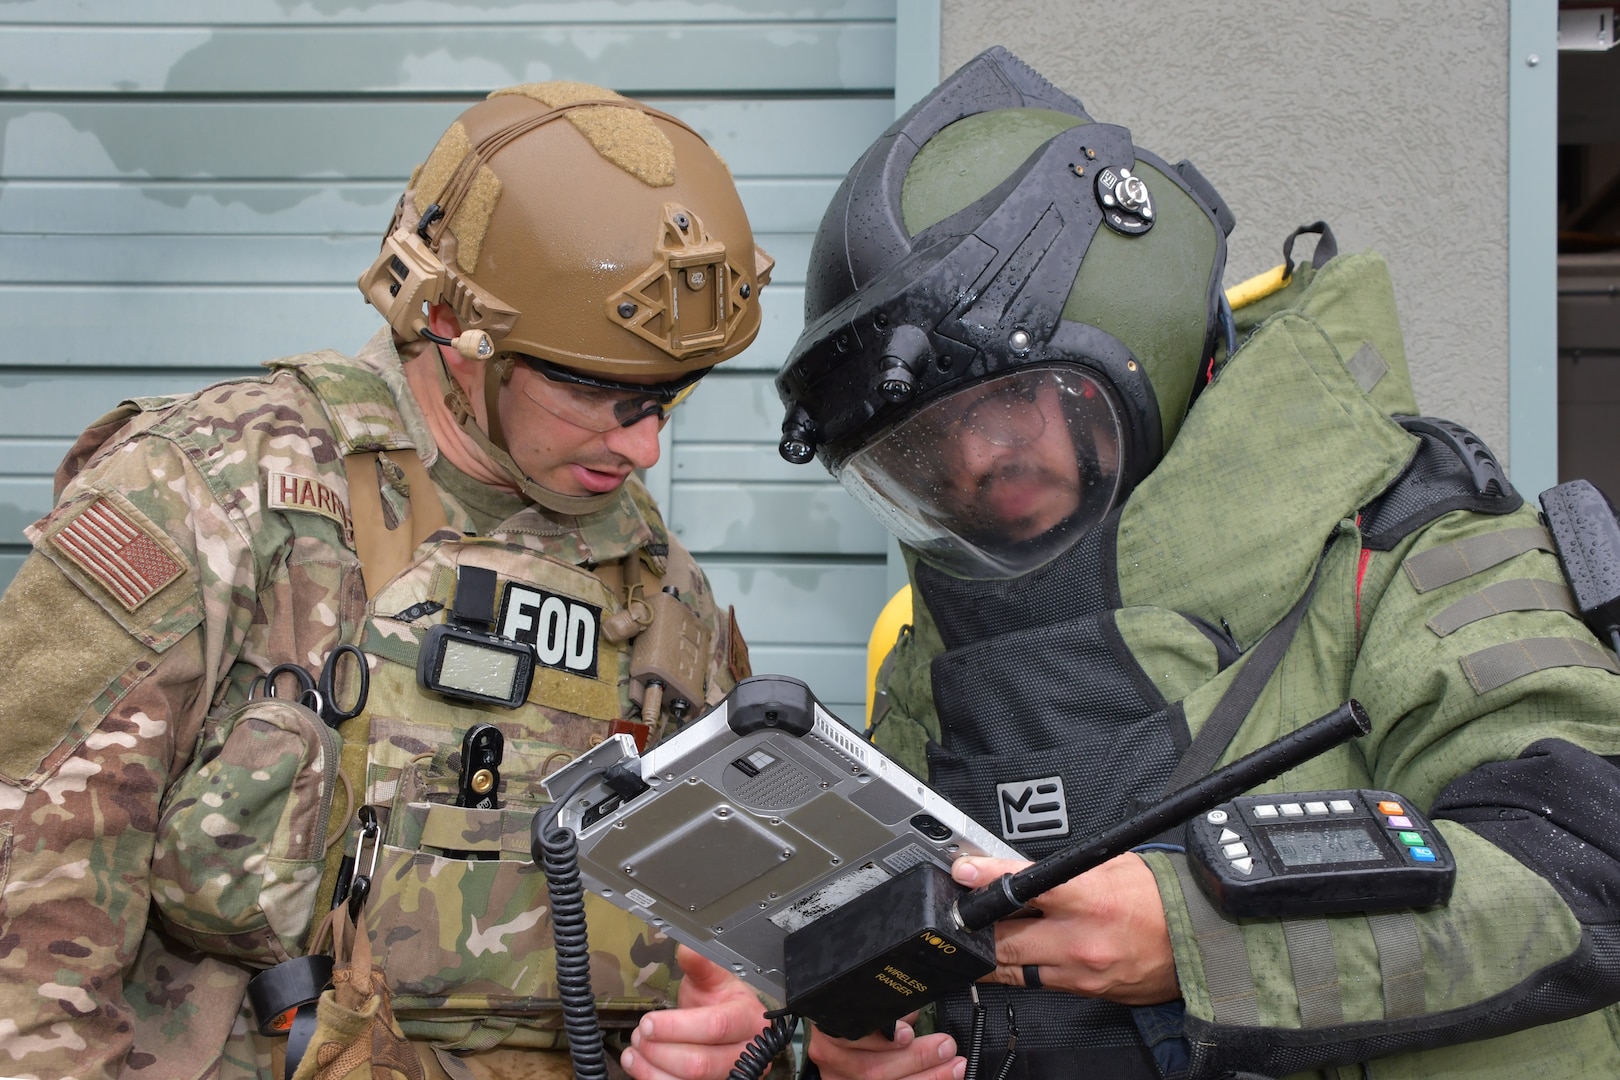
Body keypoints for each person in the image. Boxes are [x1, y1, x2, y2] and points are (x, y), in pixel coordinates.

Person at [625, 47, 1620, 1080]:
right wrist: (827, 1054)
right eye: (925, 446)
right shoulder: (938, 656)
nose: (974, 463)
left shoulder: (1408, 548)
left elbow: (1586, 869)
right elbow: (940, 1003)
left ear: (1134, 326)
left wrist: (1195, 940)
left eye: (1007, 402)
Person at [0, 81, 772, 1080]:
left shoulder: (659, 594)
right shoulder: (212, 499)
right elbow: (29, 932)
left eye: (670, 396)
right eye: (597, 388)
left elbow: (735, 946)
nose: (645, 444)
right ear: (448, 323)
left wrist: (727, 1032)